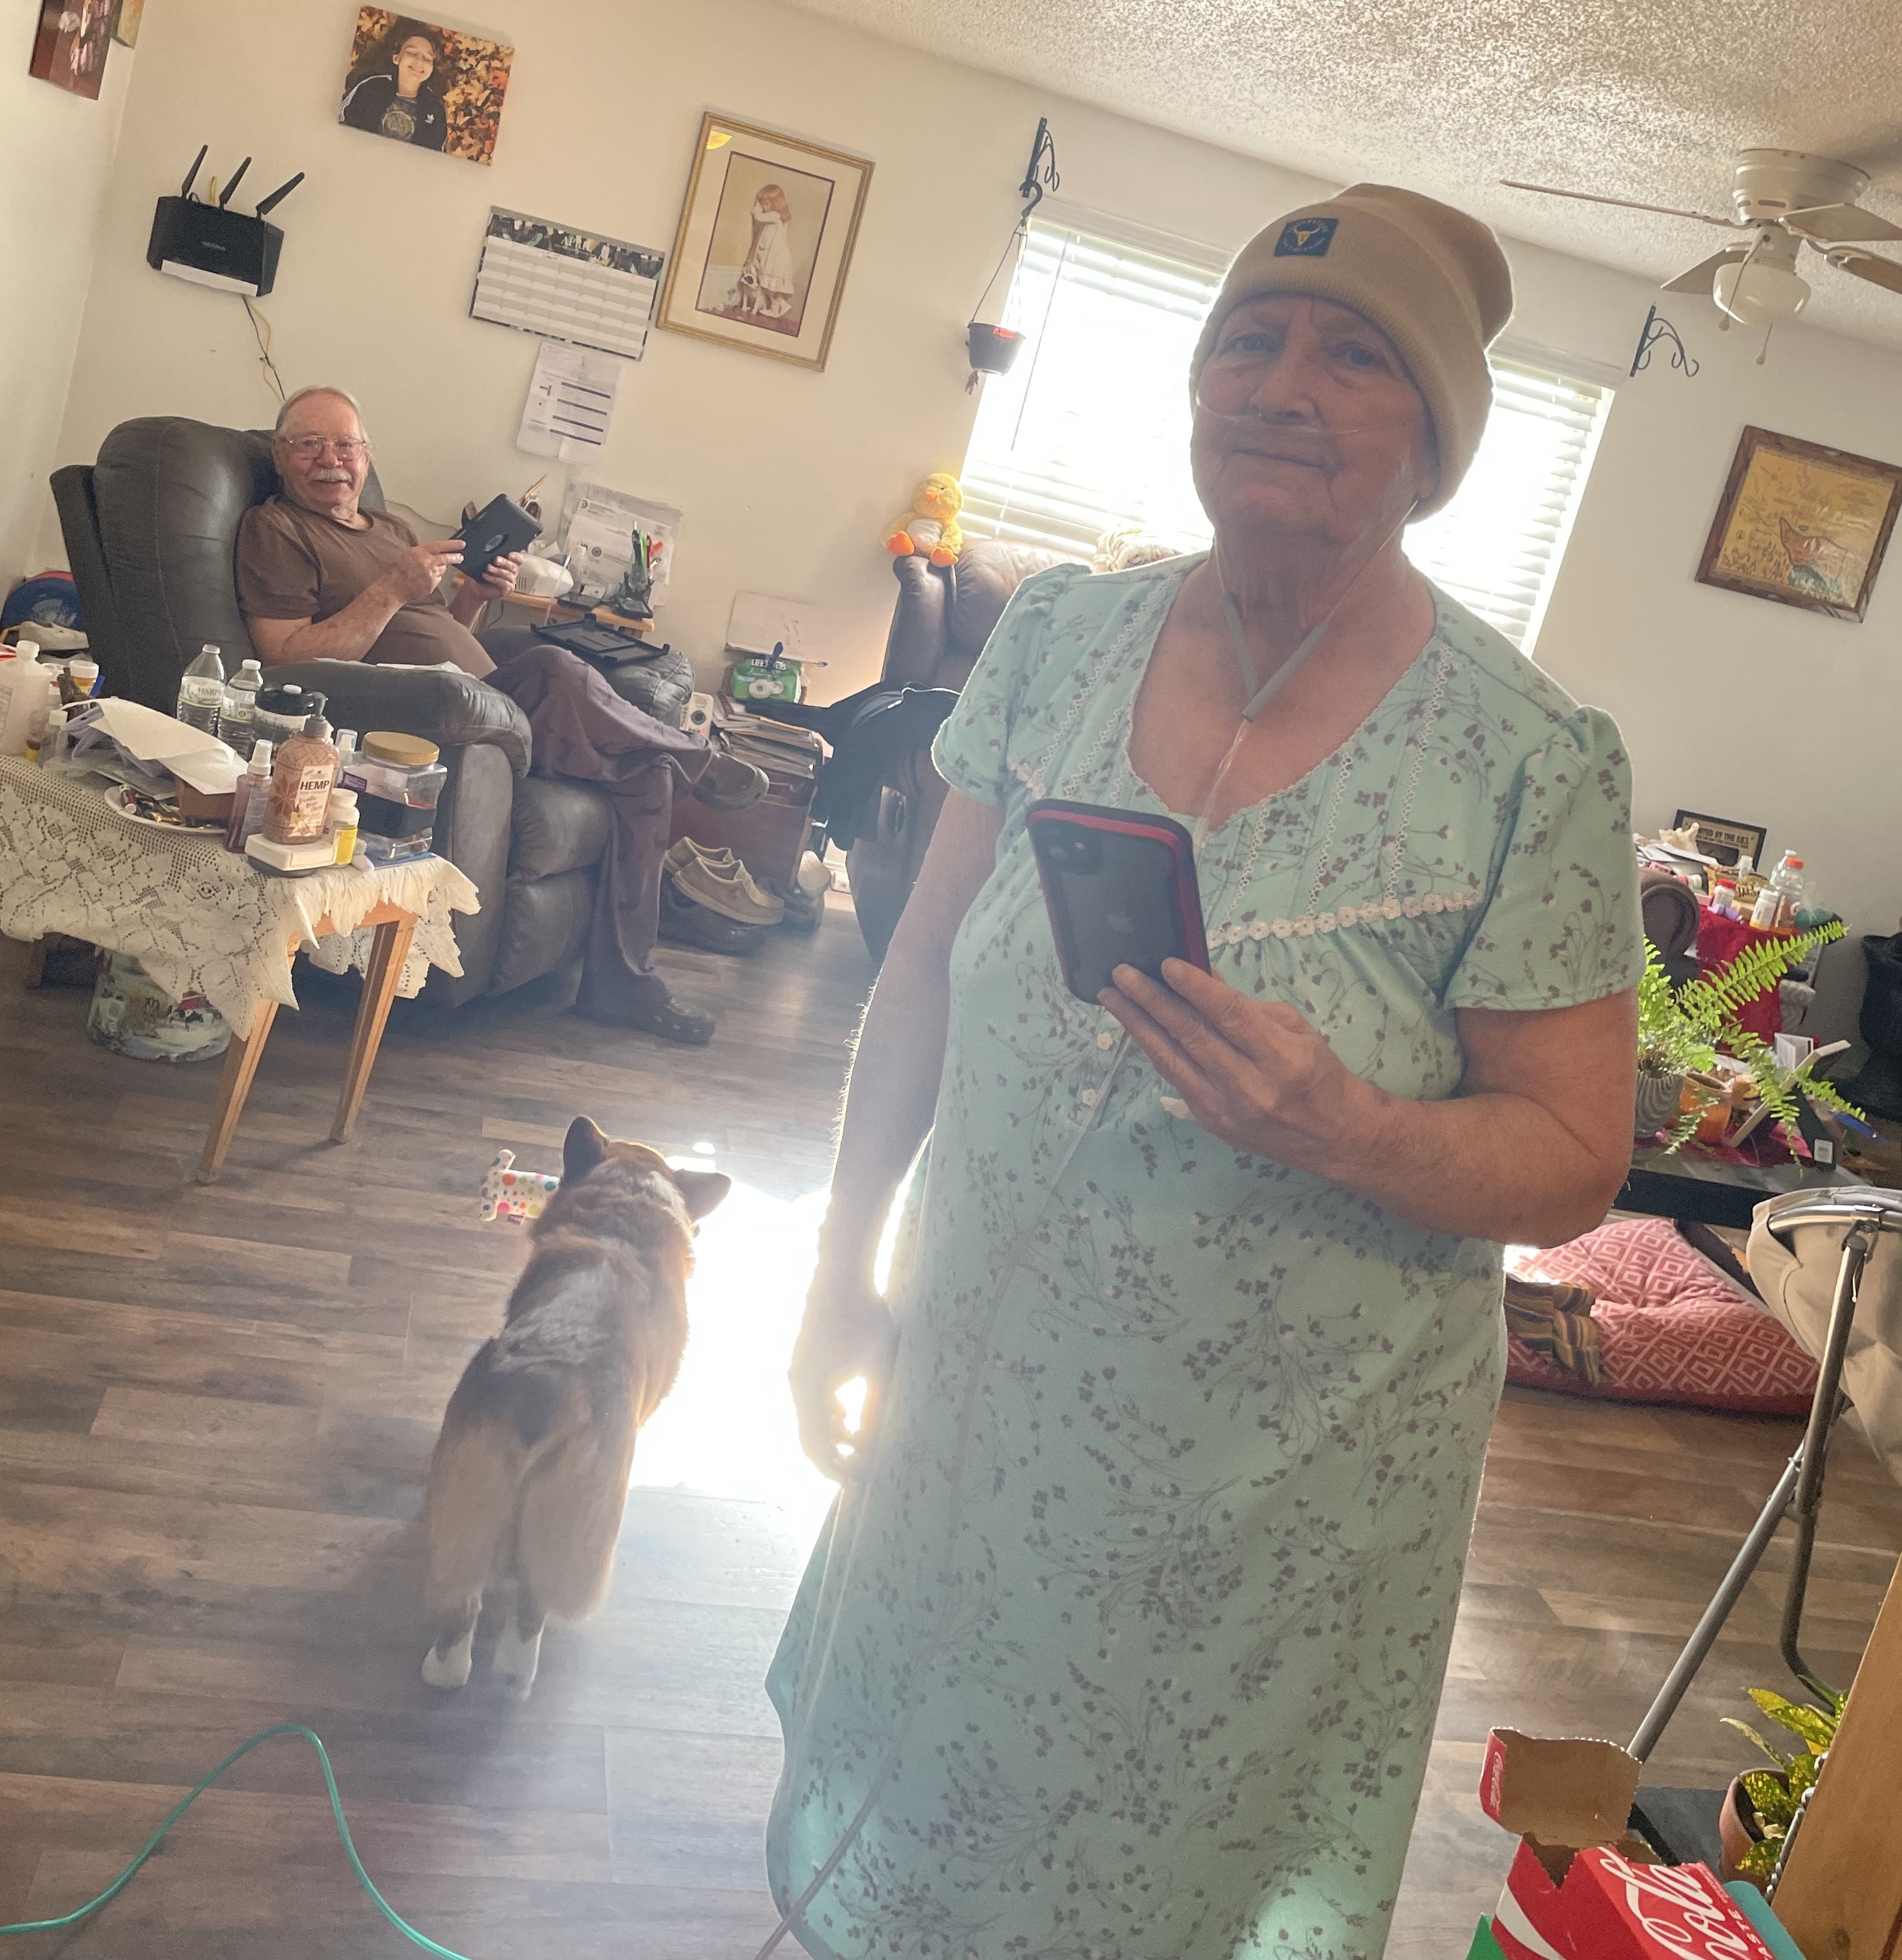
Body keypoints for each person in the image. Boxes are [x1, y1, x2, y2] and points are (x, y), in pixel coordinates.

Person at [767, 185, 1642, 1957]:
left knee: (1156, 1871)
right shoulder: (1056, 639)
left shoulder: (1531, 760)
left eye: (1354, 357)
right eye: (1248, 339)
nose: (1281, 384)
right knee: (926, 1808)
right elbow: (920, 970)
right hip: (978, 1396)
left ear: (1436, 443)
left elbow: (1573, 1156)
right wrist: (840, 1264)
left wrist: (1351, 1126)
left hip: (1275, 1488)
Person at [236, 385, 766, 1044]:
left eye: (345, 444)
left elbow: (443, 635)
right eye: (309, 444)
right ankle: (698, 762)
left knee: (646, 775)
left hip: (483, 704)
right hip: (416, 722)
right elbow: (284, 657)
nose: (330, 459)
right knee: (555, 669)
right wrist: (393, 587)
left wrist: (475, 597)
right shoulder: (277, 530)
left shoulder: (391, 530)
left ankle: (622, 986)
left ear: (367, 456)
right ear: (280, 455)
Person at [339, 20, 448, 150]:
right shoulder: (371, 87)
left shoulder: (435, 108)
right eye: (412, 53)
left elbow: (436, 152)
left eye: (428, 58)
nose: (420, 61)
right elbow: (343, 123)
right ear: (397, 58)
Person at [738, 185, 796, 321]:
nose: (764, 207)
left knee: (773, 284)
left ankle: (777, 309)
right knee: (771, 284)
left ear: (776, 203)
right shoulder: (775, 217)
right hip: (773, 255)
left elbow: (758, 217)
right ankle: (780, 305)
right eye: (762, 203)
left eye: (767, 203)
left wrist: (757, 207)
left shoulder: (776, 216)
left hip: (776, 257)